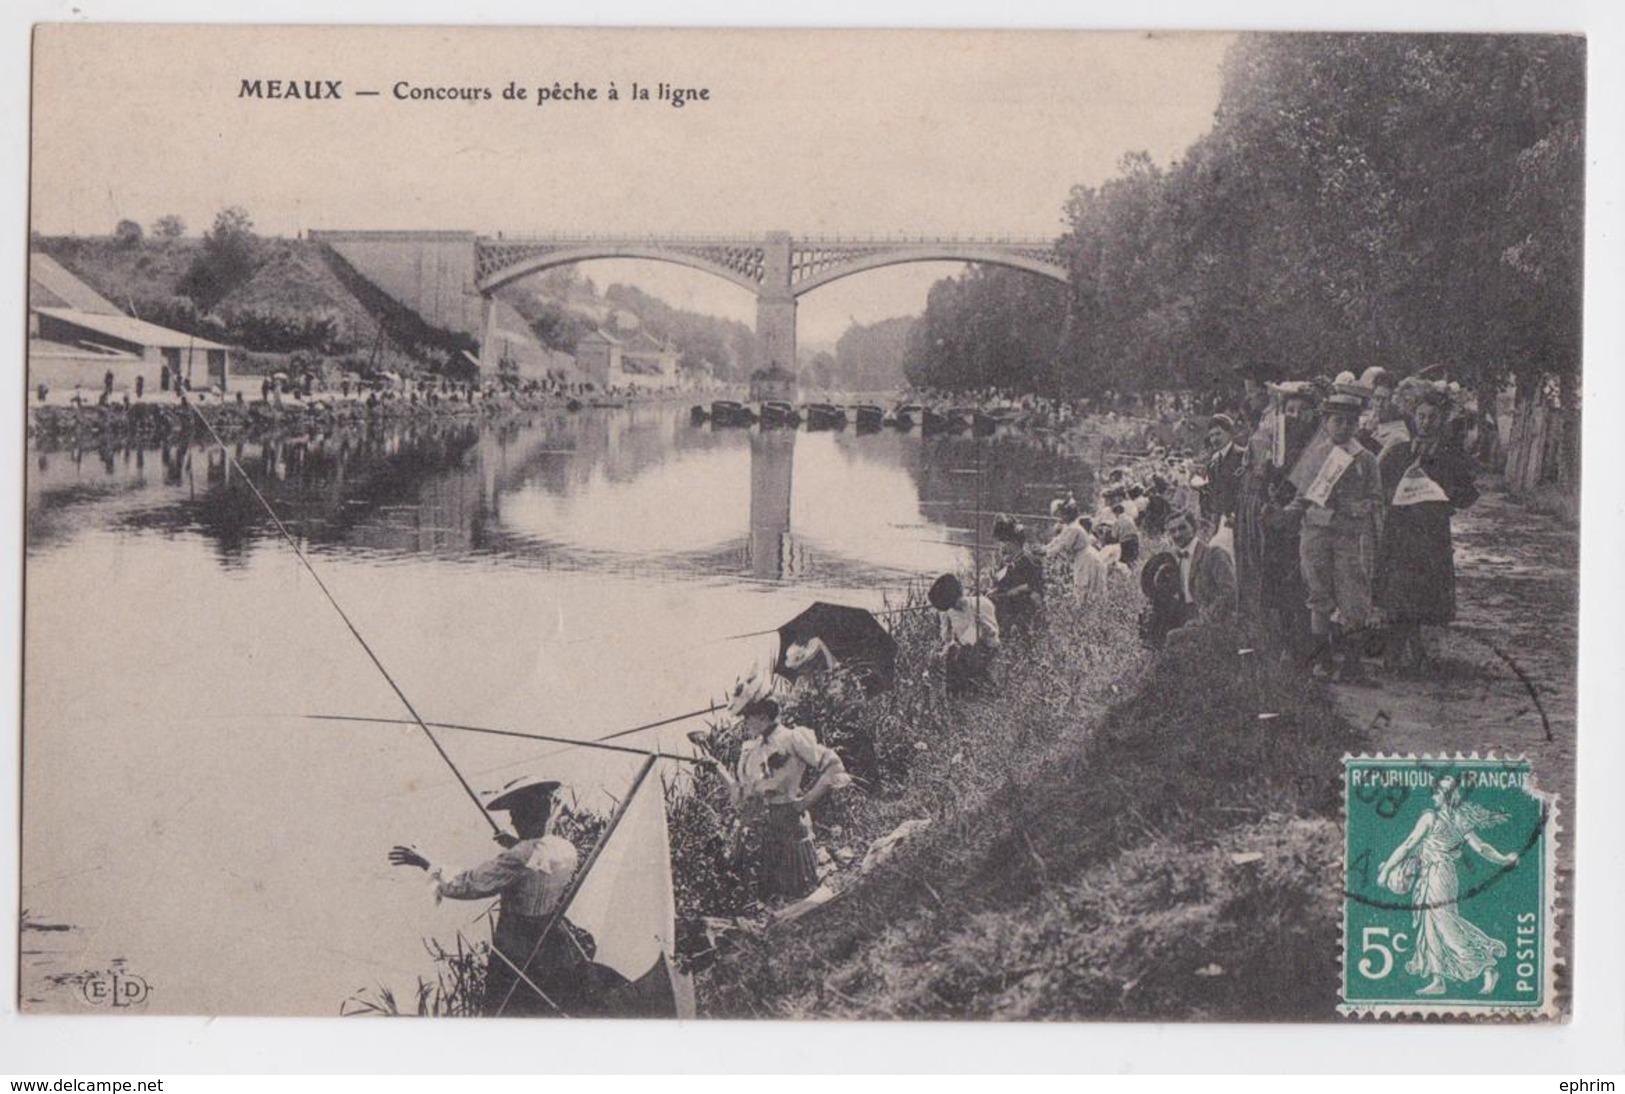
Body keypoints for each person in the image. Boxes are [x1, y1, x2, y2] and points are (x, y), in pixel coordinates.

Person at [389, 774, 595, 1016]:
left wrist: (426, 862)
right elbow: (537, 860)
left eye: (515, 813)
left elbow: (467, 884)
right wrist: (516, 843)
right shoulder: (564, 848)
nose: (511, 818)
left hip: (518, 947)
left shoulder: (518, 856)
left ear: (521, 816)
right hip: (551, 943)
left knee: (507, 1009)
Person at [1378, 775, 1517, 995]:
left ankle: (1487, 966)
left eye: (1438, 791)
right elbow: (1481, 848)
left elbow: (1407, 845)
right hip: (1436, 874)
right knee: (1430, 924)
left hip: (1438, 874)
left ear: (1446, 796)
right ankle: (1438, 980)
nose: (1433, 794)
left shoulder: (1430, 818)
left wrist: (1386, 871)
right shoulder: (1459, 820)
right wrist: (1503, 859)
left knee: (1444, 923)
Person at [1375, 388, 1480, 674]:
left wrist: (1447, 493)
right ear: (1412, 417)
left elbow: (1467, 495)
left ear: (1442, 420)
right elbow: (1379, 485)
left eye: (1432, 417)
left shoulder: (1449, 455)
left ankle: (1411, 652)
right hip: (1399, 530)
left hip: (1430, 532)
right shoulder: (1398, 450)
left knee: (1423, 590)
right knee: (1398, 586)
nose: (1425, 422)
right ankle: (1400, 652)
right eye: (1420, 416)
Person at [719, 697, 850, 903]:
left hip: (789, 827)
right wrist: (717, 768)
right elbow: (743, 794)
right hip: (761, 832)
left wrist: (804, 802)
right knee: (767, 900)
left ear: (762, 716)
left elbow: (833, 766)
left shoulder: (792, 738)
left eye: (746, 717)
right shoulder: (752, 750)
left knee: (798, 895)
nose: (743, 723)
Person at [1292, 391, 1384, 682]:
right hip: (1316, 533)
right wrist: (1285, 512)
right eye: (1338, 421)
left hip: (1349, 535)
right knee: (1318, 595)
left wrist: (1360, 507)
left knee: (1353, 597)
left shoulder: (1365, 458)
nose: (1343, 427)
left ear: (1357, 425)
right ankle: (1323, 661)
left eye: (1350, 422)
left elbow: (1377, 499)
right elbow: (1300, 497)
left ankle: (1353, 665)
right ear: (1326, 422)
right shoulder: (1314, 455)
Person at [929, 572, 1001, 697]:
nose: (956, 607)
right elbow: (946, 636)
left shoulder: (983, 604)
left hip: (987, 649)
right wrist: (947, 646)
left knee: (986, 688)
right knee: (955, 658)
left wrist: (981, 625)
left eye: (957, 602)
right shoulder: (947, 611)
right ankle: (954, 699)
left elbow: (993, 635)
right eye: (952, 606)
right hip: (965, 652)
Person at [989, 520, 1045, 638]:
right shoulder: (1008, 561)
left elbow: (1035, 585)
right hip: (1008, 602)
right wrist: (994, 589)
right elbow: (1001, 581)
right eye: (1001, 543)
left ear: (1014, 543)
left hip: (1024, 603)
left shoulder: (1028, 560)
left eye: (1005, 542)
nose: (1002, 546)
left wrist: (1015, 590)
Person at [1200, 414, 1243, 534]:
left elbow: (1244, 491)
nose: (1214, 439)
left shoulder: (1242, 456)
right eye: (1211, 435)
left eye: (1218, 434)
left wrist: (1236, 515)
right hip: (1220, 520)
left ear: (1229, 434)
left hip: (1239, 519)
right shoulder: (1213, 462)